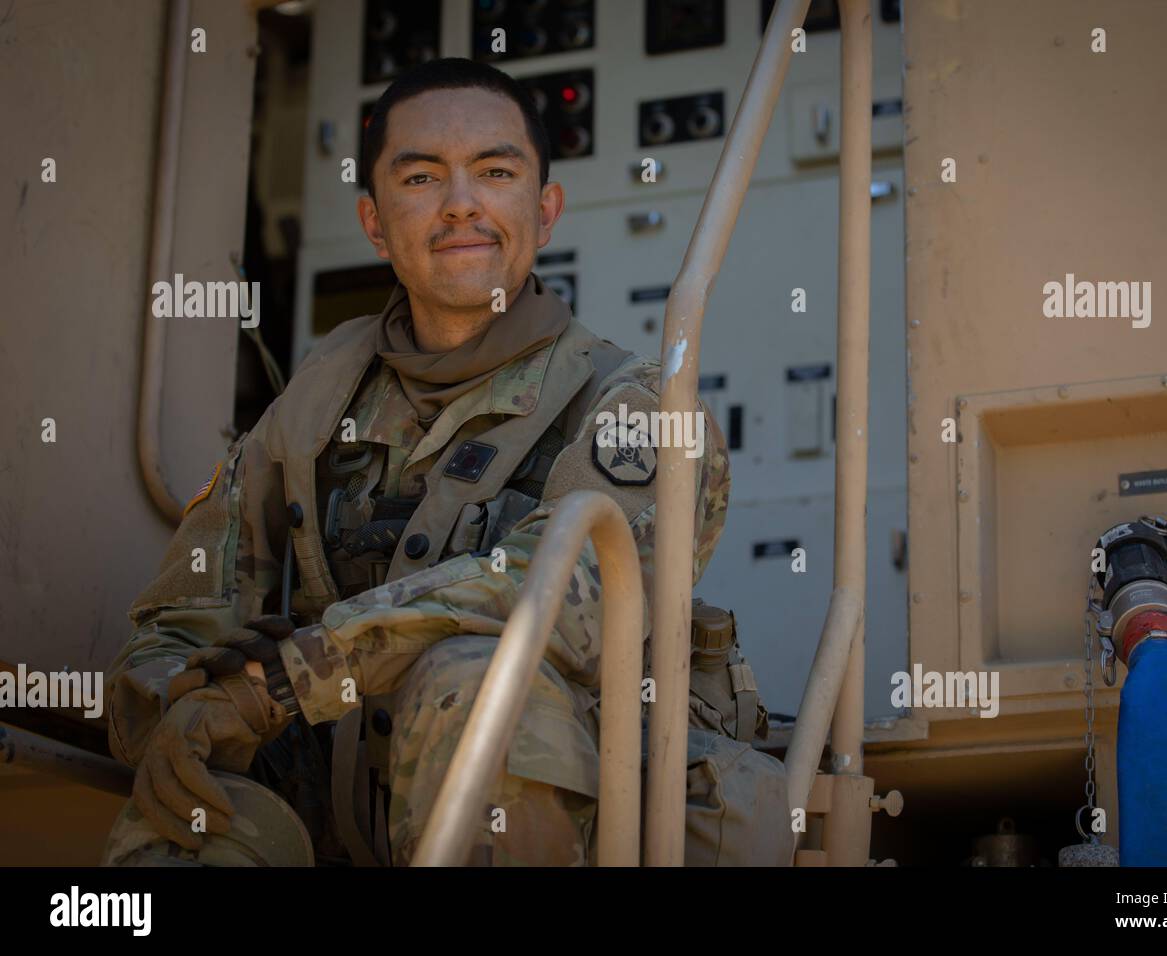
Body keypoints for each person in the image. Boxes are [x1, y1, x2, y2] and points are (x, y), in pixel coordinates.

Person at [102, 57, 730, 867]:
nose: (461, 203)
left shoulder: (637, 409)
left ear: (545, 211)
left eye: (494, 172)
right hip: (336, 801)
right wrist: (174, 710)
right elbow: (181, 618)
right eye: (423, 176)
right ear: (373, 221)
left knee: (476, 682)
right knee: (181, 798)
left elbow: (564, 604)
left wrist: (285, 678)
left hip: (568, 801)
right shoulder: (312, 406)